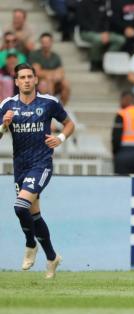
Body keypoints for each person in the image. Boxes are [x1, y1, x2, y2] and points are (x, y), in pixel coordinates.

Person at [0, 63, 75, 278]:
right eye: (21, 77)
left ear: (35, 80)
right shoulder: (7, 105)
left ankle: (30, 244)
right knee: (34, 215)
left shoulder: (49, 102)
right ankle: (52, 257)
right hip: (20, 166)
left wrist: (60, 138)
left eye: (29, 77)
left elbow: (69, 124)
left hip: (41, 164)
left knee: (19, 206)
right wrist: (4, 126)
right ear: (16, 82)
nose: (25, 80)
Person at [28, 33, 70, 105]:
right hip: (38, 81)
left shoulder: (55, 56)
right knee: (44, 83)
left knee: (66, 83)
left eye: (47, 42)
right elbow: (36, 72)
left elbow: (61, 72)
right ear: (41, 43)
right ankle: (47, 107)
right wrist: (51, 74)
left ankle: (61, 107)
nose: (45, 45)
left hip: (54, 81)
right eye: (43, 42)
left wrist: (51, 76)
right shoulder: (34, 54)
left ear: (51, 42)